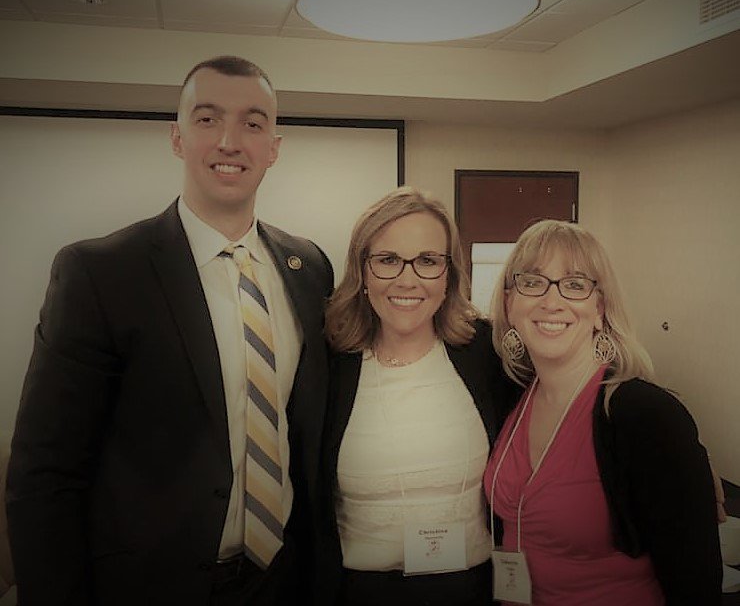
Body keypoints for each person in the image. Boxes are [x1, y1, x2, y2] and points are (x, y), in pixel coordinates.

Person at [6, 56, 334, 606]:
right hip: (149, 586)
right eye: (208, 119)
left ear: (273, 147)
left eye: (252, 123)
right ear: (177, 137)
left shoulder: (309, 268)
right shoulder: (101, 272)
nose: (230, 141)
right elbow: (46, 473)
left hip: (282, 582)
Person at [483, 219, 722, 605]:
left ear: (600, 309)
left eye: (575, 284)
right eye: (533, 282)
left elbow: (696, 581)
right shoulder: (511, 394)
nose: (551, 301)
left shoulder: (644, 415)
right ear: (510, 304)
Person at [320, 187, 519, 606]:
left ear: (449, 274)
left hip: (469, 590)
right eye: (388, 260)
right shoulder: (328, 365)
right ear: (363, 271)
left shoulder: (486, 353)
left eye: (428, 261)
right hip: (358, 594)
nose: (407, 279)